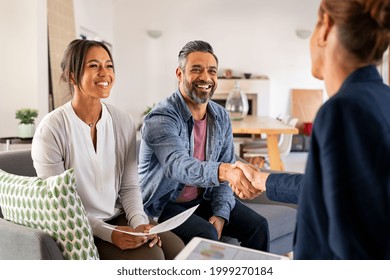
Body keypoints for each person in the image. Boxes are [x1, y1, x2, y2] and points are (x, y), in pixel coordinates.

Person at [232, 0, 390, 259]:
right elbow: (338, 192)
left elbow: (356, 251)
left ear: (326, 27)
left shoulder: (344, 111)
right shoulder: (382, 98)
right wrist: (264, 179)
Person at [31, 39, 184, 260]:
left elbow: (130, 186)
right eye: (94, 66)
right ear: (72, 76)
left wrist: (140, 223)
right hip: (78, 227)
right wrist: (110, 234)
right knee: (152, 258)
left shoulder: (122, 121)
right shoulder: (51, 129)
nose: (104, 73)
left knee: (178, 249)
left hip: (117, 215)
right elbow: (60, 204)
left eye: (109, 65)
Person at [138, 40, 268, 252]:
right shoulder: (161, 117)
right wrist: (224, 170)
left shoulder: (221, 116)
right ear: (179, 74)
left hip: (202, 199)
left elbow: (224, 175)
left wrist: (220, 214)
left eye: (212, 71)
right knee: (206, 235)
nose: (206, 78)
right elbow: (177, 165)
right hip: (163, 206)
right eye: (196, 70)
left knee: (258, 226)